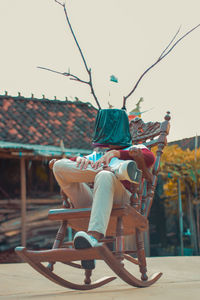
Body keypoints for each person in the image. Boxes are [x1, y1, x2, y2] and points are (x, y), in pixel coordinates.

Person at [50, 109, 155, 269]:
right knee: (59, 165)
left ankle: (93, 237)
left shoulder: (135, 149)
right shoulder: (97, 155)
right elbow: (68, 164)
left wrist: (116, 154)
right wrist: (78, 160)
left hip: (122, 201)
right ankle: (105, 171)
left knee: (105, 176)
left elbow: (149, 158)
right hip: (94, 204)